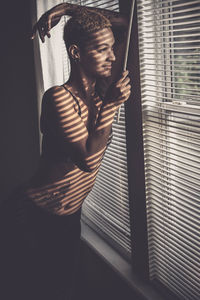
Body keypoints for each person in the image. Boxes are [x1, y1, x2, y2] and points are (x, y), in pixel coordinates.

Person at [1, 3, 131, 300]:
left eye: (112, 48)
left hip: (69, 218)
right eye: (102, 49)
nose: (113, 56)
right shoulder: (59, 97)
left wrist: (65, 8)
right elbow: (86, 158)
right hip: (32, 217)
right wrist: (112, 105)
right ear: (76, 53)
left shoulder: (99, 92)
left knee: (63, 290)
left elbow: (124, 23)